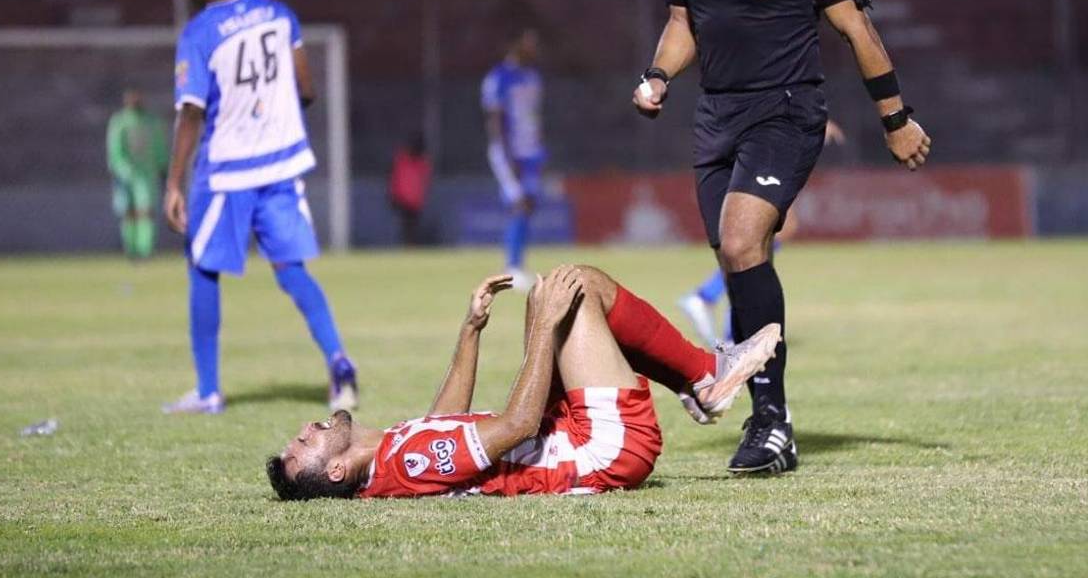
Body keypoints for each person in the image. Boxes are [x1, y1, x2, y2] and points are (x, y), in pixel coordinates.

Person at [632, 0, 931, 474]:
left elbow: (857, 31)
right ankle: (773, 422)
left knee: (743, 243)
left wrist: (896, 118)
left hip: (786, 111)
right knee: (738, 261)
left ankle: (769, 420)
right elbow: (682, 22)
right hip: (716, 117)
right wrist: (658, 76)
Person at [266, 265, 784, 499]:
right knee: (576, 286)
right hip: (603, 450)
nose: (305, 430)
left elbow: (441, 421)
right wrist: (544, 329)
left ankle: (699, 383)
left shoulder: (393, 457)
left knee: (546, 293)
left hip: (565, 435)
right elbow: (517, 425)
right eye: (302, 447)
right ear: (336, 470)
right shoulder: (405, 462)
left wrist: (471, 330)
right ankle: (702, 376)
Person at [162, 0, 358, 415]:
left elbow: (191, 112)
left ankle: (208, 390)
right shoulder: (278, 13)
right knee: (291, 269)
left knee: (203, 266)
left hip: (228, 169)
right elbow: (306, 88)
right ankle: (339, 362)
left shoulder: (200, 33)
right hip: (282, 162)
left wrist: (173, 182)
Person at [678, 120, 845, 348]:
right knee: (764, 234)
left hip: (749, 131)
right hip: (759, 134)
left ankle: (718, 312)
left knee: (771, 231)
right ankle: (709, 301)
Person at [482, 28, 544, 288]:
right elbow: (494, 122)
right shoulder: (498, 78)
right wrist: (507, 158)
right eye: (529, 43)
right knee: (518, 205)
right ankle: (512, 267)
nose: (534, 48)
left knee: (527, 205)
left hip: (530, 153)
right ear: (515, 44)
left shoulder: (533, 77)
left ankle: (517, 264)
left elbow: (534, 117)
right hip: (509, 153)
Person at [106, 88, 169, 260]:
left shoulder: (151, 121)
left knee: (146, 211)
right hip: (125, 175)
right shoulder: (120, 122)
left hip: (147, 174)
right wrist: (119, 169)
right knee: (128, 212)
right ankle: (131, 248)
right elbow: (114, 150)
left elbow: (159, 146)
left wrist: (163, 167)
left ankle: (145, 248)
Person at [388, 131, 433, 246]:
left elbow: (424, 182)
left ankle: (410, 245)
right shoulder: (403, 159)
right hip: (404, 199)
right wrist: (393, 195)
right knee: (407, 226)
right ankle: (408, 244)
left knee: (411, 226)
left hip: (414, 201)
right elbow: (395, 178)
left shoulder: (422, 162)